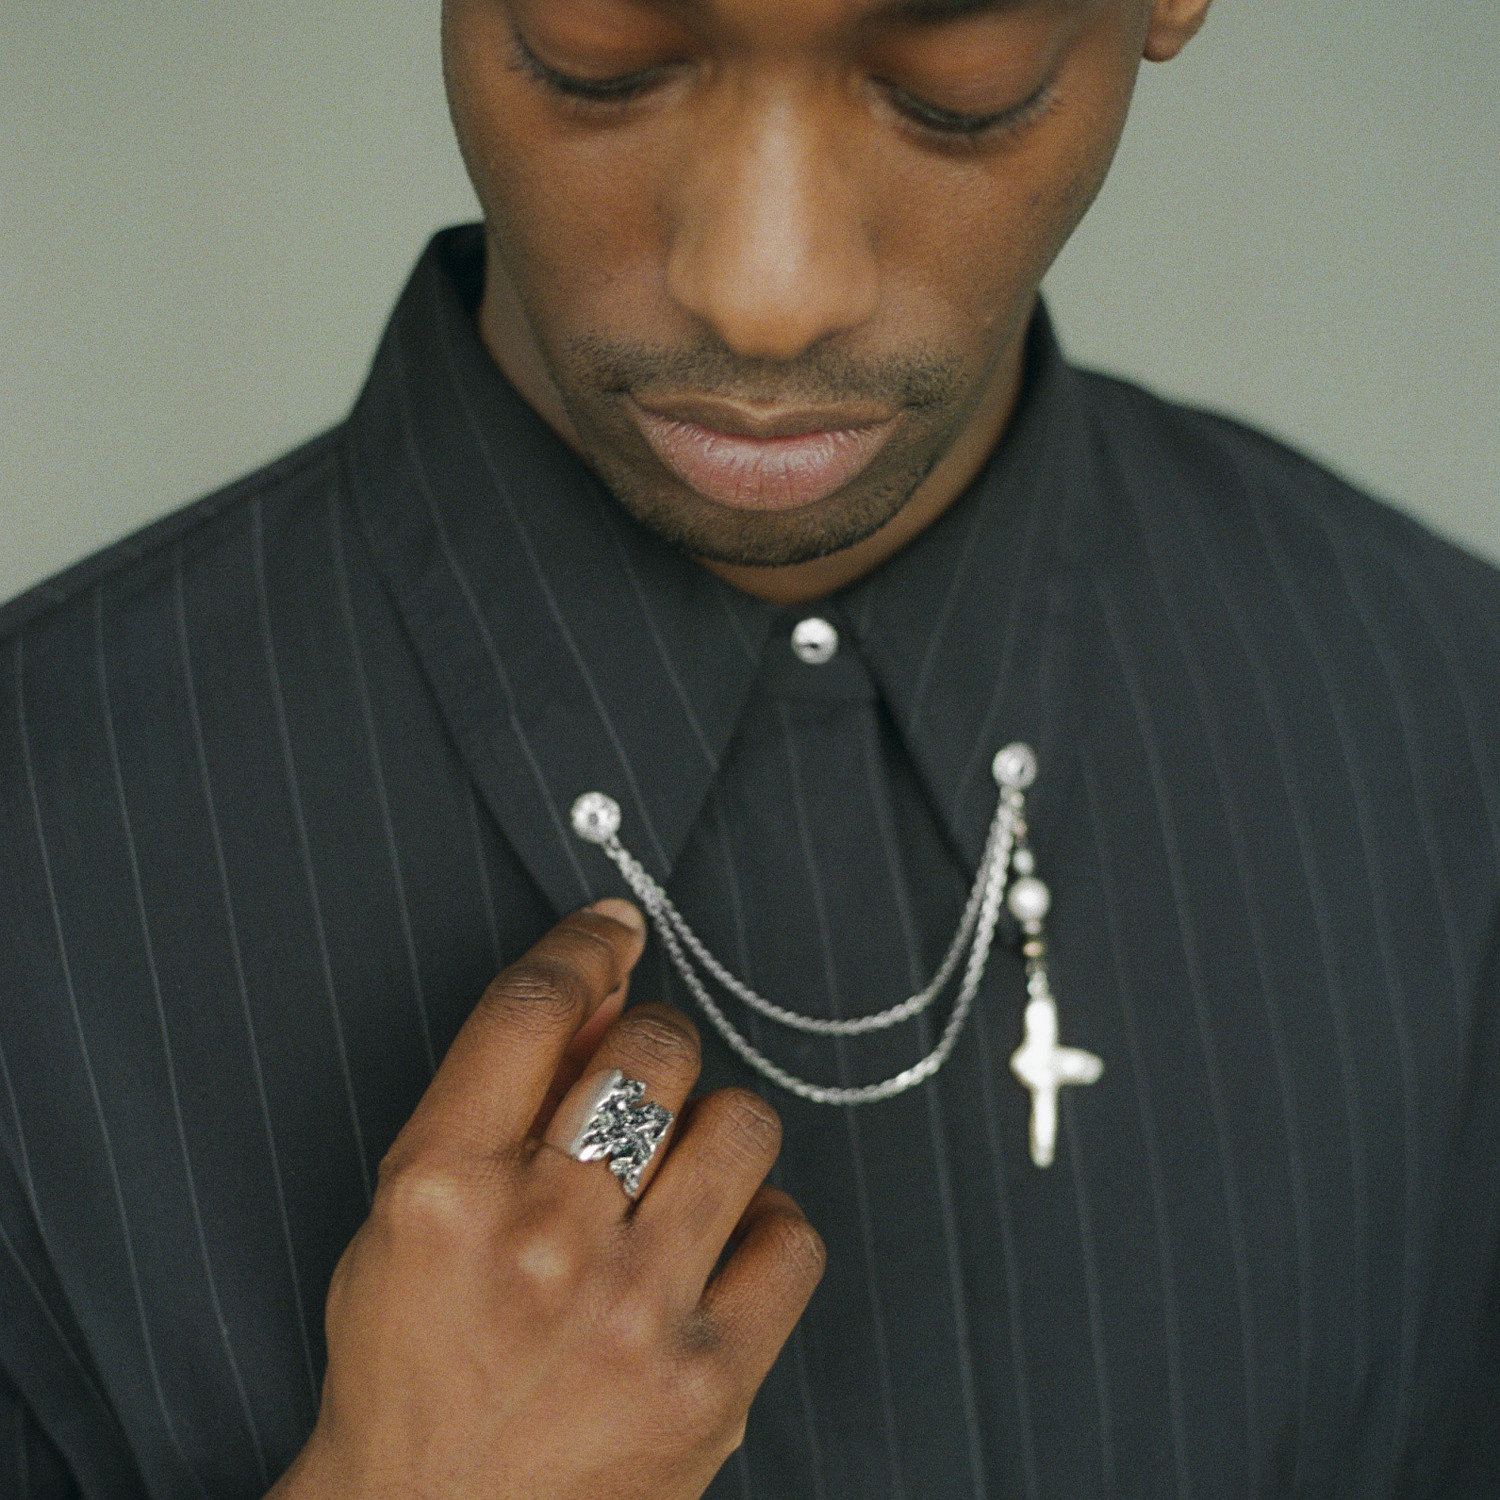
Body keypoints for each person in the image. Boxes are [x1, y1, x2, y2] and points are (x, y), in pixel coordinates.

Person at [2, 0, 1497, 1494]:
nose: (764, 296)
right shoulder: (41, 849)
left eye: (951, 91)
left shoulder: (1452, 722)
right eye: (604, 61)